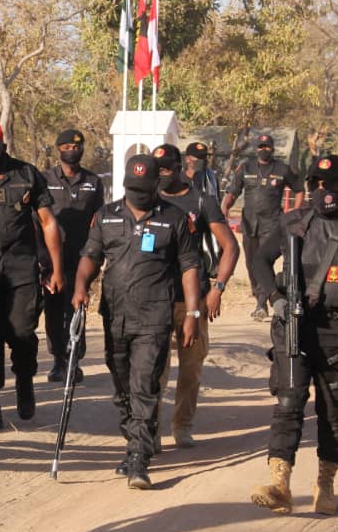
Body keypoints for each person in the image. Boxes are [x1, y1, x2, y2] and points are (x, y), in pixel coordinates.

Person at [249, 155, 338, 516]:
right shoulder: (292, 222)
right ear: (310, 186)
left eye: (335, 184)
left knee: (334, 410)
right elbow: (259, 260)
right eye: (319, 184)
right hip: (293, 327)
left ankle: (325, 484)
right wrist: (274, 298)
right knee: (288, 403)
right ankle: (280, 483)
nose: (327, 192)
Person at [72, 154, 201, 489]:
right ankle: (135, 442)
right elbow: (90, 256)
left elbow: (190, 267)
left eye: (143, 188)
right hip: (114, 315)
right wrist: (80, 286)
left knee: (144, 387)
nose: (137, 193)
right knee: (122, 389)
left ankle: (138, 459)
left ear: (156, 184)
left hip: (154, 318)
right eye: (132, 188)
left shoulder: (174, 218)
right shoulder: (106, 215)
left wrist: (191, 314)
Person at [0, 120, 64, 430]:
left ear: (3, 147)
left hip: (22, 270)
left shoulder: (27, 174)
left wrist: (56, 267)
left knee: (22, 334)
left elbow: (48, 222)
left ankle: (25, 383)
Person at [153, 144, 240, 450]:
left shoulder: (201, 200)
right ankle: (150, 431)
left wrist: (218, 288)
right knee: (154, 368)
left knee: (191, 368)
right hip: (155, 298)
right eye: (157, 169)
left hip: (193, 300)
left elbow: (230, 246)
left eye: (166, 169)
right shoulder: (148, 198)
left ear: (181, 168)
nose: (162, 175)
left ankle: (182, 426)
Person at [42, 128, 104, 383]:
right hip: (52, 258)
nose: (72, 151)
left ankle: (73, 361)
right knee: (54, 310)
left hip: (82, 256)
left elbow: (99, 219)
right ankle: (57, 359)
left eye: (77, 147)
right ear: (58, 150)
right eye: (67, 147)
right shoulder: (44, 179)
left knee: (77, 307)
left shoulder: (94, 181)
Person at [223, 133, 303, 321]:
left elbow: (299, 190)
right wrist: (224, 206)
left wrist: (294, 213)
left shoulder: (282, 169)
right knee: (251, 263)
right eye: (261, 146)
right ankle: (260, 295)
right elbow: (233, 192)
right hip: (250, 224)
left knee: (264, 262)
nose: (263, 150)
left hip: (273, 224)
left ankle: (262, 302)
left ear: (272, 149)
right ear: (256, 149)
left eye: (267, 147)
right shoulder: (245, 167)